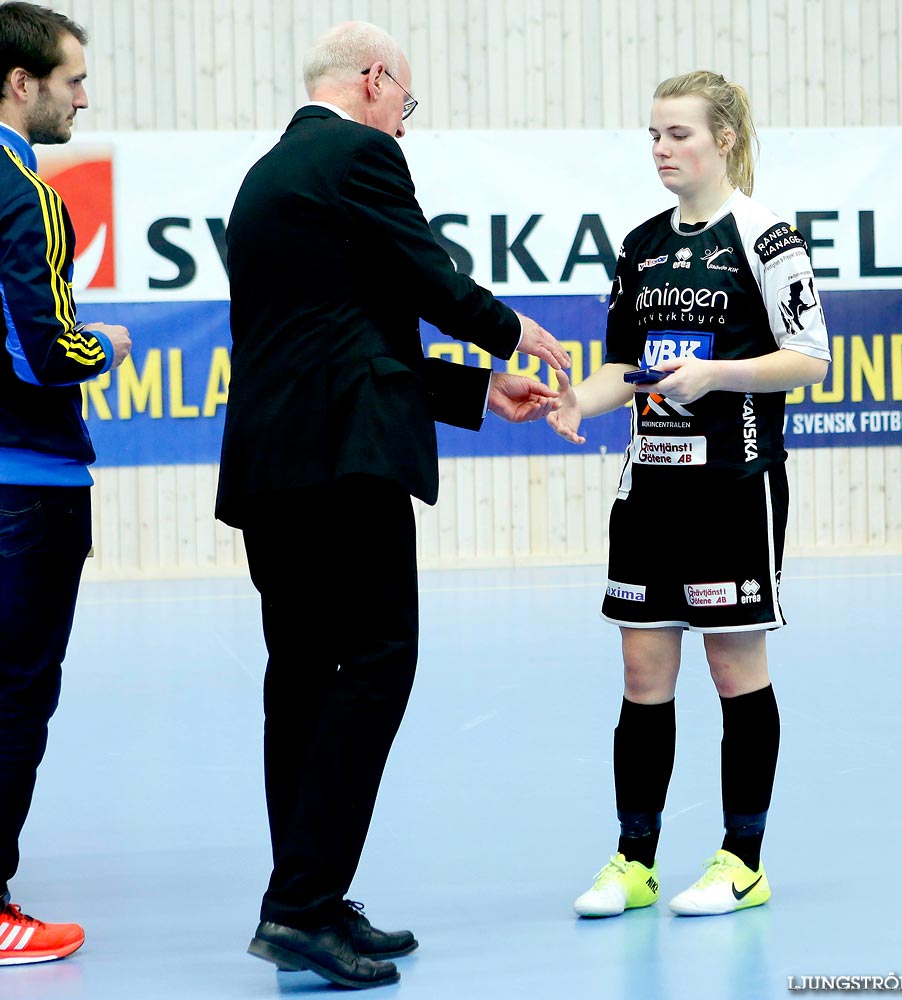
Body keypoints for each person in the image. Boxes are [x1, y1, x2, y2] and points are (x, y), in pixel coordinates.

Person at [216, 20, 570, 991]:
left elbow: (344, 334)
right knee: (375, 661)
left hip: (273, 468)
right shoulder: (357, 152)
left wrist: (473, 390)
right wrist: (512, 332)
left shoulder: (269, 177)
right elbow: (424, 273)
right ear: (373, 80)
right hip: (343, 469)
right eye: (404, 104)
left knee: (300, 679)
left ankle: (307, 900)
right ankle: (300, 906)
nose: (402, 127)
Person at [547, 70, 831, 919]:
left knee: (732, 663)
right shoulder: (639, 244)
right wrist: (573, 401)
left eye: (679, 134)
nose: (663, 150)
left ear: (726, 141)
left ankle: (742, 860)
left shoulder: (764, 236)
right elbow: (619, 370)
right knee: (641, 669)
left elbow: (809, 358)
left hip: (733, 490)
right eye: (654, 136)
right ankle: (635, 861)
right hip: (651, 493)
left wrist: (717, 374)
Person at [0, 0, 131, 965]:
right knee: (14, 690)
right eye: (71, 79)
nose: (82, 98)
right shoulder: (24, 190)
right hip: (25, 484)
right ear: (21, 82)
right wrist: (107, 345)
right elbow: (44, 349)